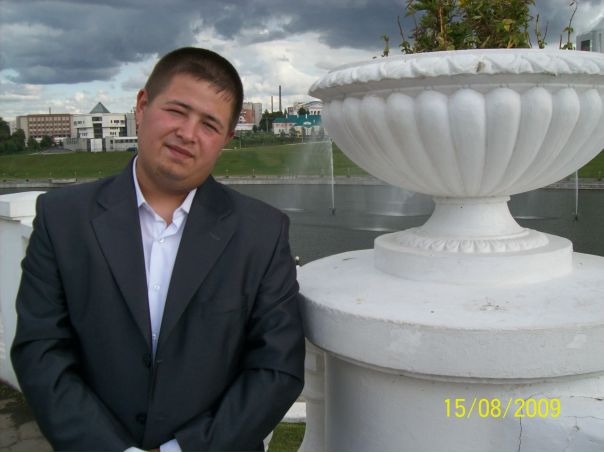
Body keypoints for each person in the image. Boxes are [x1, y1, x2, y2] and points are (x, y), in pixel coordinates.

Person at [11, 47, 305, 452]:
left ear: (226, 139)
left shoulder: (263, 233)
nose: (188, 133)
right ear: (142, 106)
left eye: (209, 124)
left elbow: (276, 368)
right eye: (177, 111)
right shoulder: (62, 218)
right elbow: (41, 351)